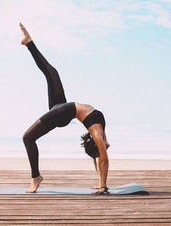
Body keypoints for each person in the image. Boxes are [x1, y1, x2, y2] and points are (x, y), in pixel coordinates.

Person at [20, 23, 110, 195]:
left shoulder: (98, 133)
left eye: (103, 146)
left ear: (96, 142)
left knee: (27, 138)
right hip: (63, 109)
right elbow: (100, 157)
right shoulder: (100, 130)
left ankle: (35, 177)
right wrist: (101, 182)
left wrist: (103, 186)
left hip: (64, 113)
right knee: (52, 72)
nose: (107, 145)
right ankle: (29, 42)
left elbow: (103, 159)